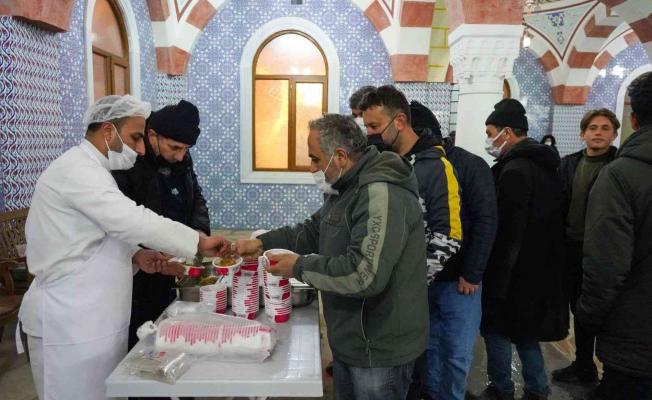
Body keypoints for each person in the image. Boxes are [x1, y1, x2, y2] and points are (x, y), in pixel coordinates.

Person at [18, 95, 230, 400]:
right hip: (68, 320)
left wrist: (136, 254)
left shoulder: (95, 171)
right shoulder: (76, 170)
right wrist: (198, 243)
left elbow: (95, 234)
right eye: (135, 138)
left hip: (94, 316)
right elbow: (131, 220)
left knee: (108, 390)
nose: (141, 149)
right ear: (108, 131)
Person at [235, 114, 429, 399]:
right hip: (350, 337)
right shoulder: (344, 187)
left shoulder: (380, 193)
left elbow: (364, 275)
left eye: (315, 159)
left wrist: (299, 266)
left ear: (340, 156)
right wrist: (262, 243)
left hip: (378, 348)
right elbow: (313, 230)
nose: (312, 167)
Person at [475, 99, 568, 400]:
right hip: (538, 269)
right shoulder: (547, 165)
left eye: (491, 133)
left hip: (512, 271)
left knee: (496, 330)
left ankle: (501, 388)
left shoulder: (514, 170)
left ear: (507, 132)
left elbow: (508, 231)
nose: (489, 140)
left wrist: (495, 276)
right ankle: (538, 389)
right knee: (526, 333)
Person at [406, 101, 498, 400]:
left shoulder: (469, 165)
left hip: (460, 281)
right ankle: (433, 393)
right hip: (423, 277)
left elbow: (485, 220)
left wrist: (472, 273)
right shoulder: (411, 164)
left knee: (456, 351)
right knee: (428, 346)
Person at [577, 72, 652, 400]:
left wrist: (588, 316)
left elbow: (607, 264)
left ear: (632, 120)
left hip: (635, 338)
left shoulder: (621, 175)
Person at [112, 100, 211, 350]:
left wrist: (198, 231)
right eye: (174, 148)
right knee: (139, 337)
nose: (180, 156)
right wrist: (142, 251)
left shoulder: (181, 158)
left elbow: (195, 196)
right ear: (152, 135)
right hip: (138, 266)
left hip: (171, 262)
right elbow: (123, 219)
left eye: (186, 149)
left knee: (165, 330)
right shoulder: (129, 161)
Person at [551, 109, 619, 384]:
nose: (598, 133)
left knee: (605, 311)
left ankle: (612, 372)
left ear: (614, 134)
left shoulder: (619, 166)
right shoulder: (569, 164)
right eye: (593, 128)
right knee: (578, 309)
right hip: (572, 248)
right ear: (583, 134)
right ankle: (583, 364)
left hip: (605, 251)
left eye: (605, 128)